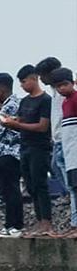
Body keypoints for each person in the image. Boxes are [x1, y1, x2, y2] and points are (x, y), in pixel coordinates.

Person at [0, 64, 54, 237]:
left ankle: (46, 222)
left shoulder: (45, 100)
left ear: (34, 78)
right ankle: (39, 222)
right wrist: (10, 122)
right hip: (24, 147)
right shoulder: (24, 101)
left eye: (24, 82)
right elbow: (22, 121)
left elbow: (42, 126)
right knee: (30, 186)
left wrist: (16, 124)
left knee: (40, 184)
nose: (22, 86)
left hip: (40, 147)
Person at [37, 57, 77, 235]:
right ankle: (70, 201)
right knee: (60, 171)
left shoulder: (70, 97)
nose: (41, 80)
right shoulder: (59, 95)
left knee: (70, 180)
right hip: (61, 140)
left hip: (68, 142)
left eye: (42, 76)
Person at [0, 73, 23, 237]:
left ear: (1, 88)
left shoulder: (10, 106)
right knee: (10, 189)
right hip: (12, 152)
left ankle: (14, 225)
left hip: (9, 152)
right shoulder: (15, 103)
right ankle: (12, 225)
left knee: (10, 190)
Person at [52, 67, 77, 238]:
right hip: (69, 153)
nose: (61, 89)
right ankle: (74, 224)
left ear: (73, 83)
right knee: (73, 189)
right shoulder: (65, 102)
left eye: (64, 85)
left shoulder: (75, 100)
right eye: (58, 86)